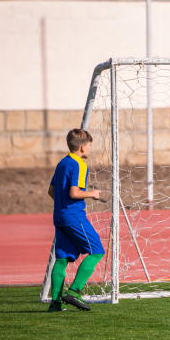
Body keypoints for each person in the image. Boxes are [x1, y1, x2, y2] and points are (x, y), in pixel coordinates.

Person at [47, 129, 104, 312]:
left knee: (62, 258)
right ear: (82, 147)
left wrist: (63, 206)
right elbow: (74, 193)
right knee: (97, 251)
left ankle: (55, 304)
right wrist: (92, 194)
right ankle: (74, 292)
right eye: (90, 145)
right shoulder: (79, 164)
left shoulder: (62, 163)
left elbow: (51, 191)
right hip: (73, 215)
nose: (90, 149)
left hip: (59, 216)